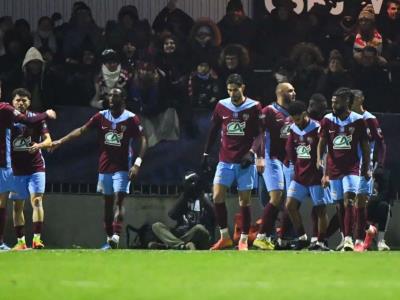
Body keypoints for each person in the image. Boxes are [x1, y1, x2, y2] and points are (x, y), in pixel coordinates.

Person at [51, 88, 147, 249]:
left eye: (115, 96)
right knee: (108, 205)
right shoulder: (101, 116)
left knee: (119, 200)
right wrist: (60, 141)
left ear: (123, 98)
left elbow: (144, 140)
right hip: (104, 167)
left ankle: (116, 234)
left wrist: (137, 163)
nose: (111, 98)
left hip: (123, 167)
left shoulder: (131, 118)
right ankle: (110, 240)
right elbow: (81, 130)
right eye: (109, 95)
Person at [202, 73, 264, 251]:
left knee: (244, 200)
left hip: (244, 161)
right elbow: (214, 130)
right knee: (217, 195)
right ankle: (225, 237)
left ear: (242, 88)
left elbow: (260, 134)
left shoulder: (254, 106)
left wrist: (252, 153)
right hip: (225, 160)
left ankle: (243, 239)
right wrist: (206, 153)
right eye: (229, 90)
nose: (232, 93)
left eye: (235, 90)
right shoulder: (222, 105)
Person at [0, 83, 56, 251]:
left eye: (24, 101)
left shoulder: (37, 119)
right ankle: (21, 242)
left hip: (35, 167)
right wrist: (46, 113)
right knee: (17, 206)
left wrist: (39, 145)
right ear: (12, 102)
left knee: (37, 200)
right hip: (15, 170)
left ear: (29, 102)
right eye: (18, 100)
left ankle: (37, 240)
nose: (21, 103)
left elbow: (49, 140)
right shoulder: (9, 117)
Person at [317, 87, 370, 251]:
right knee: (340, 205)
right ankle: (344, 237)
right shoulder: (327, 120)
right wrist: (320, 161)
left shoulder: (358, 120)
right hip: (334, 169)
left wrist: (366, 168)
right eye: (332, 102)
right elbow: (322, 143)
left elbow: (365, 146)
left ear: (346, 101)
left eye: (336, 102)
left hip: (352, 168)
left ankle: (349, 239)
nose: (333, 105)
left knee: (349, 200)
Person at [253, 82, 295, 251]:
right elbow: (259, 134)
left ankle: (283, 237)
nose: (294, 93)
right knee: (275, 197)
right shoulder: (269, 111)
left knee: (289, 200)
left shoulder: (294, 113)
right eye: (290, 90)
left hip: (287, 161)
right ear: (280, 92)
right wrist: (260, 157)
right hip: (271, 158)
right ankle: (263, 236)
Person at [285, 101, 330, 251]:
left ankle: (321, 242)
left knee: (320, 210)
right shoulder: (292, 128)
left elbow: (325, 150)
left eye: (297, 119)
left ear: (305, 114)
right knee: (290, 205)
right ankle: (302, 238)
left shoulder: (317, 128)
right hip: (300, 176)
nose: (295, 122)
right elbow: (291, 151)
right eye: (293, 119)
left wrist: (325, 172)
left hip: (315, 176)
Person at [350, 89, 389, 251]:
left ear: (362, 99)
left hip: (365, 167)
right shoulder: (347, 119)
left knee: (360, 201)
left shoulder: (370, 119)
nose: (352, 101)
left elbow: (381, 143)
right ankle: (358, 235)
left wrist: (379, 164)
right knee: (347, 202)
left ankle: (362, 238)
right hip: (347, 166)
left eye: (355, 98)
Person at [150, 171, 215, 250]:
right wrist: (185, 196)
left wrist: (201, 196)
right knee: (157, 226)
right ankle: (181, 245)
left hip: (199, 235)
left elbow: (215, 216)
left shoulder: (205, 197)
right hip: (183, 233)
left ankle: (169, 245)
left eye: (194, 183)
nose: (192, 186)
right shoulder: (184, 197)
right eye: (189, 183)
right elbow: (172, 215)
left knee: (199, 228)